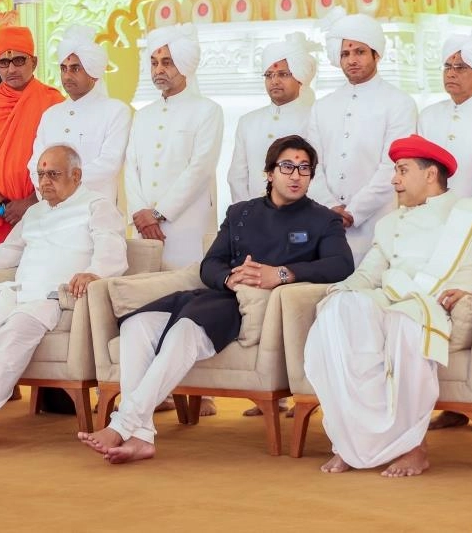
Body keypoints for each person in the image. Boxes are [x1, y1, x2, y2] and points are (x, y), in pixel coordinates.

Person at [77, 135, 354, 463]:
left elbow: (342, 265)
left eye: (304, 168)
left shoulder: (323, 219)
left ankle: (122, 424)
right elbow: (211, 263)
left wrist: (281, 274)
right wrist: (228, 277)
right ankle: (141, 436)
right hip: (217, 295)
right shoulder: (241, 213)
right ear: (269, 173)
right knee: (136, 325)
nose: (296, 175)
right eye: (287, 167)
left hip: (251, 308)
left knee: (184, 331)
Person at [304, 134, 472, 477]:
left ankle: (414, 447)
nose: (393, 179)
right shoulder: (389, 223)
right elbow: (367, 276)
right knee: (338, 312)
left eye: (402, 170)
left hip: (436, 309)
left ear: (430, 174)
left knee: (405, 322)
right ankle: (353, 443)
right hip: (390, 301)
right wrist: (338, 293)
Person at [0, 145, 128, 448]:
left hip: (58, 300)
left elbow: (112, 252)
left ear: (76, 175)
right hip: (18, 294)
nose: (44, 182)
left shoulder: (97, 206)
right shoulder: (35, 213)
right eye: (41, 174)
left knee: (15, 329)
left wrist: (93, 273)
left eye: (53, 174)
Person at [306, 7, 417, 262]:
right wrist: (329, 207)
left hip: (378, 224)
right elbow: (311, 164)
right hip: (325, 224)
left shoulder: (399, 103)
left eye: (360, 52)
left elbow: (392, 167)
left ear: (376, 54)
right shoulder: (323, 106)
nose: (352, 60)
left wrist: (354, 211)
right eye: (345, 54)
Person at [124, 24, 223, 270]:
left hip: (186, 224)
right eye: (154, 63)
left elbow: (200, 169)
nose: (158, 69)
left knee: (185, 286)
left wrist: (158, 214)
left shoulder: (207, 111)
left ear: (184, 64)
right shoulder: (143, 115)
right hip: (143, 227)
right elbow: (130, 168)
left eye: (167, 62)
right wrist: (140, 214)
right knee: (142, 287)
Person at [0, 25, 64, 251]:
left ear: (34, 62)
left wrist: (31, 202)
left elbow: (64, 162)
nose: (11, 69)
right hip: (0, 216)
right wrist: (1, 205)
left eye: (19, 60)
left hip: (44, 211)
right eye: (4, 62)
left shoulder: (53, 101)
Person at [28, 24, 131, 204]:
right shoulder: (50, 115)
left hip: (94, 209)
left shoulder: (116, 111)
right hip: (53, 210)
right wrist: (49, 191)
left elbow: (109, 164)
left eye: (75, 68)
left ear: (93, 73)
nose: (67, 76)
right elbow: (34, 164)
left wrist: (63, 187)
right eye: (64, 68)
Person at [228, 32, 316, 203]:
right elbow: (237, 176)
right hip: (254, 213)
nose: (274, 81)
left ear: (299, 78)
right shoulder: (248, 122)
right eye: (269, 75)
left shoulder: (313, 119)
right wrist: (247, 212)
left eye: (283, 74)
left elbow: (317, 174)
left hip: (300, 212)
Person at [417, 25, 472, 198]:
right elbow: (419, 168)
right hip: (430, 208)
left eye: (460, 68)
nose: (451, 74)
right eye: (447, 67)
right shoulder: (428, 116)